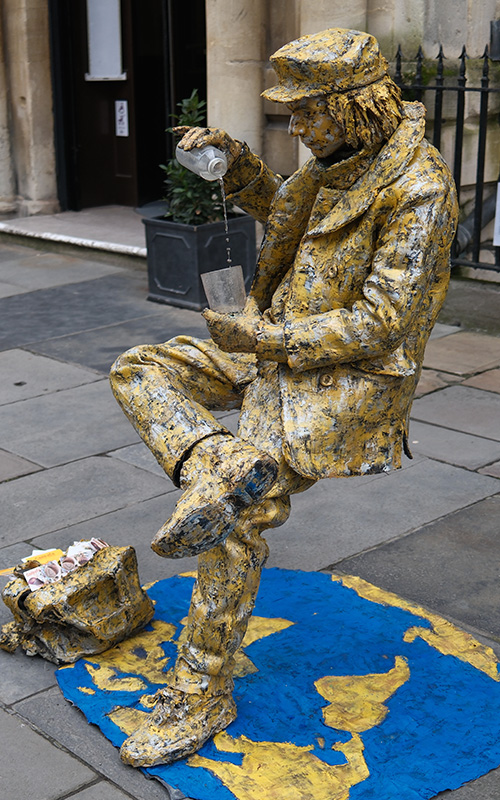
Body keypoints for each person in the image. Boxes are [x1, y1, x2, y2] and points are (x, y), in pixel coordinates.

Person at [109, 28, 458, 767]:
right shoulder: (334, 162)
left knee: (233, 524)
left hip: (339, 378)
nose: (294, 128)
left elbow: (384, 320)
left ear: (354, 106)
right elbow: (288, 212)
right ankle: (215, 462)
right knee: (142, 368)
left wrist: (262, 342)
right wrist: (236, 167)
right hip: (271, 344)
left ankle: (202, 692)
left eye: (307, 113)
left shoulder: (418, 187)